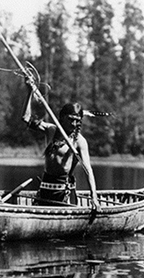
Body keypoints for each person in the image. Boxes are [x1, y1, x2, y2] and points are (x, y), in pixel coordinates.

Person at [22, 79, 100, 210]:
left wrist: (94, 198)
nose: (74, 124)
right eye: (70, 120)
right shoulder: (51, 130)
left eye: (77, 121)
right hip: (45, 188)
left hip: (63, 192)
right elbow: (25, 118)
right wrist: (29, 91)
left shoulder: (79, 141)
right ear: (62, 118)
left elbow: (88, 170)